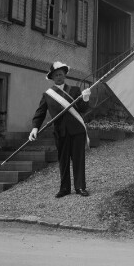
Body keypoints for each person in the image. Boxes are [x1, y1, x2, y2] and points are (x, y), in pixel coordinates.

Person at [29, 61, 92, 198]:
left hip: (77, 131)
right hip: (60, 132)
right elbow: (40, 113)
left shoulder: (75, 90)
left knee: (78, 159)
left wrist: (85, 98)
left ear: (65, 75)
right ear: (52, 77)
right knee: (63, 160)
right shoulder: (48, 95)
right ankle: (64, 188)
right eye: (56, 75)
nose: (59, 76)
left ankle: (80, 187)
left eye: (61, 74)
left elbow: (82, 109)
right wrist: (34, 128)